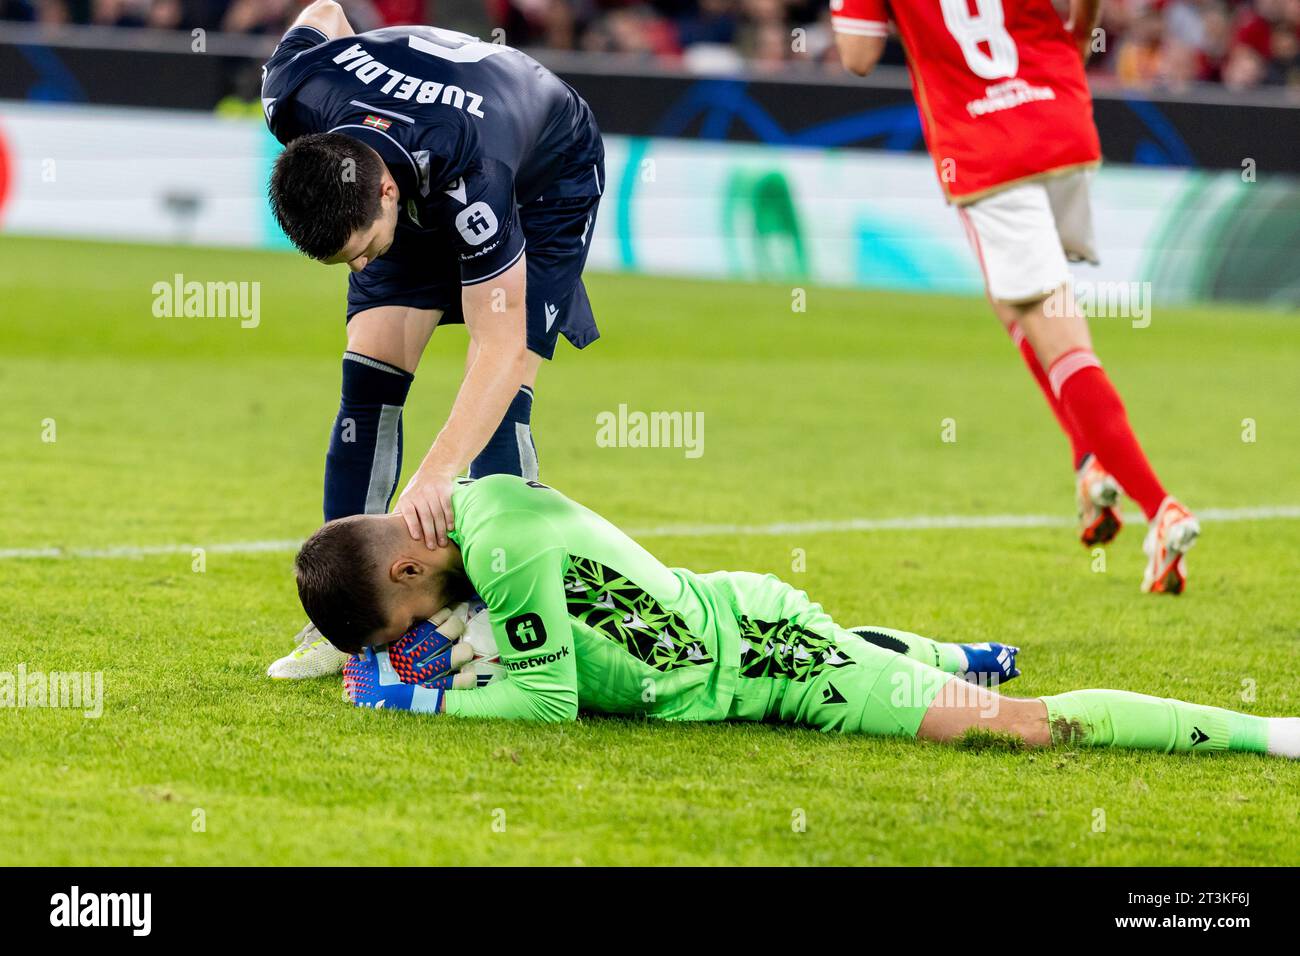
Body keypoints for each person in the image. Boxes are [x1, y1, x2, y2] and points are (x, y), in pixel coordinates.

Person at [292, 475, 1300, 760]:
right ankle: (949, 653)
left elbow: (548, 701)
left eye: (397, 626)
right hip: (731, 629)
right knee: (929, 673)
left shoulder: (501, 556)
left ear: (412, 563)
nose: (412, 640)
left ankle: (1272, 732)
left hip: (775, 661)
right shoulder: (471, 514)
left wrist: (408, 702)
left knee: (1023, 728)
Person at [259, 1, 605, 676]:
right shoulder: (294, 93)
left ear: (386, 192)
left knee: (504, 399)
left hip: (543, 178)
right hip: (417, 158)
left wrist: (437, 470)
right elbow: (327, 8)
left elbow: (497, 350)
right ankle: (342, 621)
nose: (362, 267)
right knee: (367, 382)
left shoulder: (475, 172)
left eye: (360, 251)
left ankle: (506, 620)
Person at [829, 0, 1200, 594]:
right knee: (1022, 307)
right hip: (1061, 119)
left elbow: (857, 56)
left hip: (988, 147)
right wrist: (1078, 37)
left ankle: (1161, 510)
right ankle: (1089, 466)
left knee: (1059, 338)